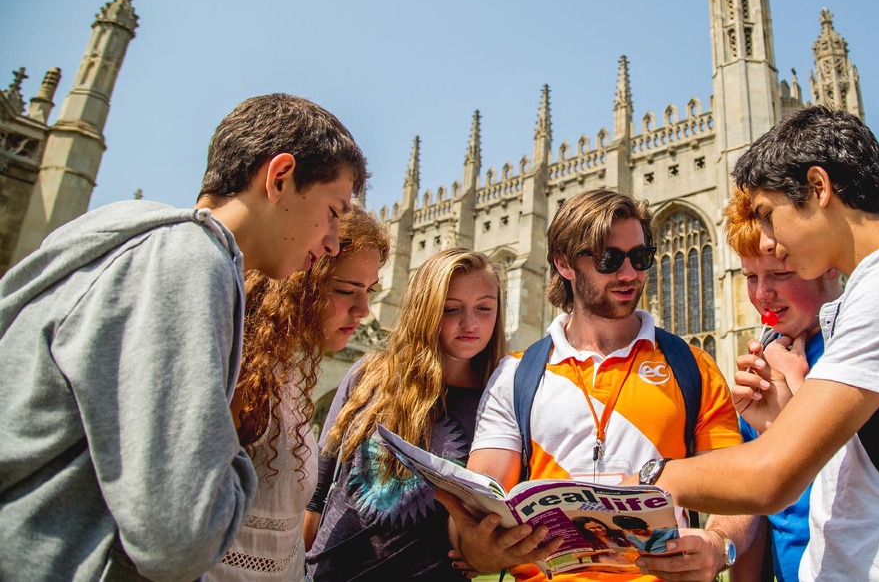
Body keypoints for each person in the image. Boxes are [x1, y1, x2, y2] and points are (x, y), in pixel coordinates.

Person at [0, 93, 367, 581]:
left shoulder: (132, 242)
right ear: (279, 178)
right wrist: (231, 457)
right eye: (334, 211)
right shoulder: (191, 262)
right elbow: (181, 536)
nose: (334, 242)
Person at [634, 106, 879, 581]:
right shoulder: (867, 298)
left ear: (818, 187)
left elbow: (770, 476)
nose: (768, 237)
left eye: (768, 215)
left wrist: (639, 483)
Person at [442, 188, 745, 582]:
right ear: (564, 262)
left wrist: (720, 544)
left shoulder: (693, 367)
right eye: (609, 259)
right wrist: (477, 545)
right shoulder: (516, 375)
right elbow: (482, 498)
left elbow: (736, 488)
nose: (629, 274)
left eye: (640, 257)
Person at [209, 206, 390, 580]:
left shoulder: (286, 374)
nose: (364, 310)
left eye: (370, 291)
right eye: (346, 290)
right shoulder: (243, 373)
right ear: (299, 281)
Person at [305, 248, 507, 580]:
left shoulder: (501, 400)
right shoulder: (369, 375)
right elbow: (316, 493)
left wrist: (485, 554)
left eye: (484, 308)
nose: (470, 323)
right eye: (451, 309)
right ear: (424, 310)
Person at [706, 188, 841, 582]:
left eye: (780, 273)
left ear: (826, 264)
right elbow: (756, 505)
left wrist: (798, 390)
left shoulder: (861, 344)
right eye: (750, 277)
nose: (762, 294)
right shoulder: (764, 361)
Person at [610, 516, 677, 555]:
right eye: (629, 530)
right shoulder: (631, 538)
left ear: (646, 526)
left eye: (637, 531)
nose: (633, 532)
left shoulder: (670, 533)